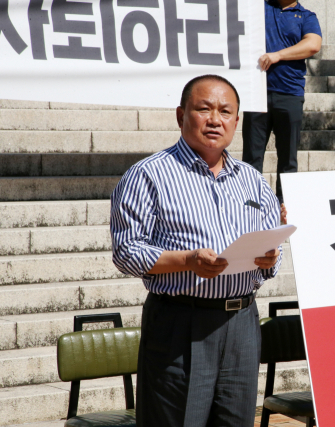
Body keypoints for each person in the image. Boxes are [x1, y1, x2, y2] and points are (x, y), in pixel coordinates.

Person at [110, 75, 282, 427]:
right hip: (181, 324)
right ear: (181, 115)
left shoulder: (252, 180)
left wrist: (269, 258)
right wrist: (187, 261)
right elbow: (126, 251)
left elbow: (270, 251)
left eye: (225, 111)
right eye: (203, 109)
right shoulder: (149, 175)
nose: (215, 119)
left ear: (237, 121)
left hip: (242, 323)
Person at [243, 0, 322, 203]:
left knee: (288, 157)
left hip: (290, 93)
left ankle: (284, 206)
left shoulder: (306, 16)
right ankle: (250, 205)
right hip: (256, 92)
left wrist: (278, 55)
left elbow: (313, 44)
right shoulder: (260, 8)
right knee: (252, 156)